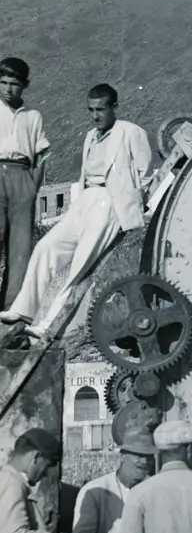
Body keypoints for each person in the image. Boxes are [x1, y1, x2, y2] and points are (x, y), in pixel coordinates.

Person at [0, 84, 152, 345]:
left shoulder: (131, 132)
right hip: (84, 201)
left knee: (81, 265)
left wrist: (131, 207)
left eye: (101, 109)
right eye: (91, 110)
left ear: (114, 107)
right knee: (46, 248)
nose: (95, 116)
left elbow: (145, 173)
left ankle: (47, 324)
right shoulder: (90, 136)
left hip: (110, 203)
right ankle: (23, 309)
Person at [0, 58, 50, 311]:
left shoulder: (33, 116)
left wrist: (33, 188)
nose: (8, 89)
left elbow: (41, 156)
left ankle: (9, 313)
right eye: (4, 83)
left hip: (22, 177)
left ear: (25, 85)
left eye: (15, 84)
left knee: (20, 251)